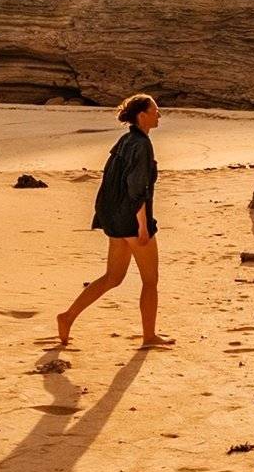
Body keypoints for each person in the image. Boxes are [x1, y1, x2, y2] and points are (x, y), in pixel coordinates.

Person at [57, 94, 170, 350]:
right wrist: (142, 224)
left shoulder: (126, 140)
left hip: (115, 217)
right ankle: (149, 337)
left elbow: (110, 180)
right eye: (155, 110)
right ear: (142, 115)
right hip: (131, 219)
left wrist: (111, 217)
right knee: (150, 280)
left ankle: (68, 317)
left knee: (113, 277)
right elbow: (136, 187)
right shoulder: (140, 144)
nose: (159, 115)